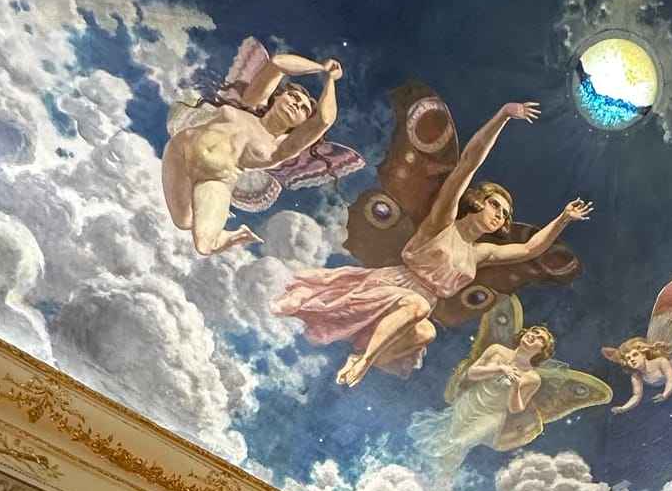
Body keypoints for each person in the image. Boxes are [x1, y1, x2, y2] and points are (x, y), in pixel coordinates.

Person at [274, 102, 591, 383]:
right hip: (390, 287)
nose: (500, 215)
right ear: (478, 201)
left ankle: (367, 353)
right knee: (419, 306)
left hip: (415, 308)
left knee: (426, 330)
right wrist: (503, 116)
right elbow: (468, 163)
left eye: (505, 214)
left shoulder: (479, 253)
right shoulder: (443, 222)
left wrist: (564, 217)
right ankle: (363, 359)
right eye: (495, 205)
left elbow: (530, 250)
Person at [161, 51, 345, 255]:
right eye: (293, 97)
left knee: (205, 246)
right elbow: (278, 63)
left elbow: (324, 120)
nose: (296, 104)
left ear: (302, 123)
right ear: (278, 96)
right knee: (183, 221)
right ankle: (210, 215)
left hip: (214, 179)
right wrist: (320, 67)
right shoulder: (250, 103)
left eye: (304, 109)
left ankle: (239, 234)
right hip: (180, 149)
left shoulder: (281, 148)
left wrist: (331, 80)